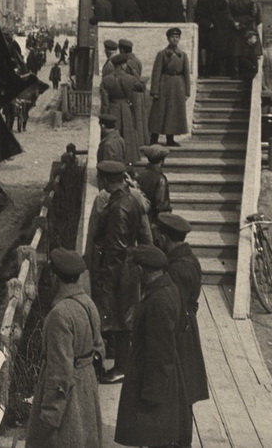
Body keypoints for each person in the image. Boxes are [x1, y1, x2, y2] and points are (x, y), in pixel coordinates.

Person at [26, 248, 105, 448]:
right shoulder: (88, 303)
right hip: (86, 390)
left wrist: (49, 417)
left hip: (68, 400)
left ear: (55, 276)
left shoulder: (59, 315)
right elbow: (99, 349)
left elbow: (59, 371)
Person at [113, 245, 189, 448]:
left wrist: (152, 394)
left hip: (155, 384)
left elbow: (160, 352)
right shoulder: (166, 288)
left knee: (157, 438)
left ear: (141, 270)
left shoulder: (158, 301)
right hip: (160, 379)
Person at [89, 160, 153, 384]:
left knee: (120, 319)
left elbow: (115, 248)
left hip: (119, 269)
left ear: (106, 180)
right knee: (122, 317)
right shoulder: (129, 199)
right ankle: (122, 364)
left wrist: (106, 280)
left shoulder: (118, 207)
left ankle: (121, 368)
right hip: (127, 267)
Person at [157, 213, 209, 442]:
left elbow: (173, 308)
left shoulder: (177, 268)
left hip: (179, 336)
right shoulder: (189, 259)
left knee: (177, 390)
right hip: (188, 331)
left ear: (164, 238)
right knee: (183, 391)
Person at [148, 28, 190, 147]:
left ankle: (170, 139)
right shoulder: (162, 54)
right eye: (172, 37)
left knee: (173, 113)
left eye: (177, 37)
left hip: (178, 86)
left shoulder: (183, 55)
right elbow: (156, 73)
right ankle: (154, 139)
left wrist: (187, 91)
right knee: (159, 111)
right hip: (164, 84)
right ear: (168, 38)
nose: (175, 39)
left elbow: (186, 74)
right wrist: (155, 90)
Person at [100, 54, 145, 164]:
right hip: (126, 109)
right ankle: (128, 160)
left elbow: (105, 103)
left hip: (112, 109)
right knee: (128, 136)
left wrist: (104, 118)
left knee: (113, 136)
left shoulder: (106, 80)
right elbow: (142, 87)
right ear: (123, 65)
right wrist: (134, 73)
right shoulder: (130, 79)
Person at [229, 0, 261, 78]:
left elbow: (229, 14)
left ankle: (235, 73)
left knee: (236, 50)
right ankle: (247, 73)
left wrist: (235, 23)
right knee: (249, 50)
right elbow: (255, 15)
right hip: (249, 28)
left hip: (236, 28)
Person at [132, 145, 172, 227]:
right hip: (153, 222)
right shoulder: (160, 179)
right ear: (162, 161)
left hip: (138, 219)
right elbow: (162, 205)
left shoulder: (139, 175)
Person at [193, 0, 218, 76]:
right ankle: (211, 70)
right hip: (217, 28)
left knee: (203, 48)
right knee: (213, 49)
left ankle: (203, 69)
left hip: (204, 27)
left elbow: (198, 13)